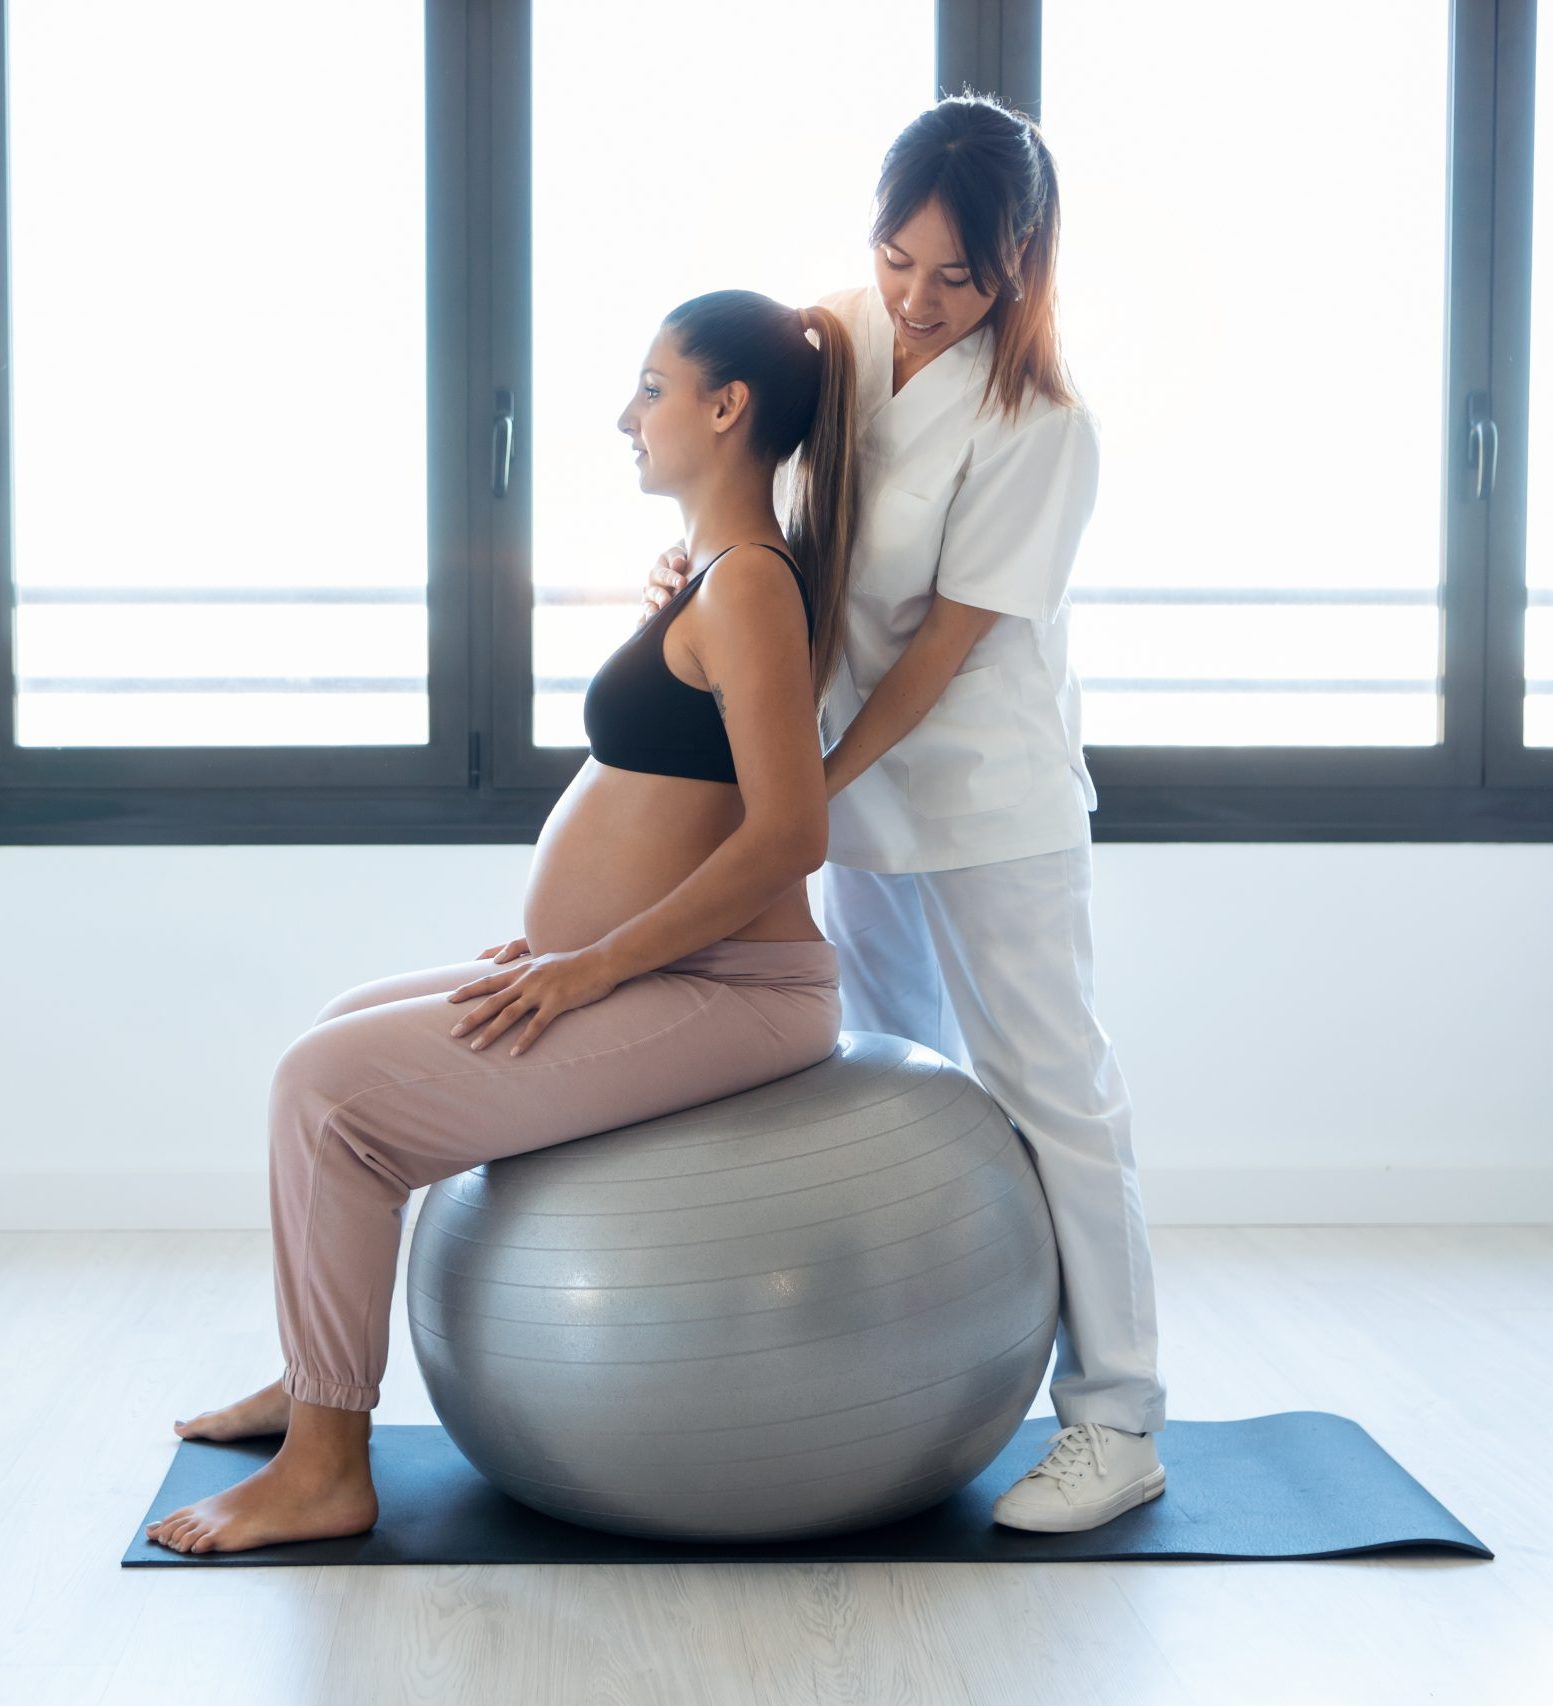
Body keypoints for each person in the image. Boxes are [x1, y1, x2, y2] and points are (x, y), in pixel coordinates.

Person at [145, 288, 860, 1555]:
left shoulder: (750, 584)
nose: (626, 416)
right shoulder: (713, 577)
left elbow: (787, 834)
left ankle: (326, 1466)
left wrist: (594, 962)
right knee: (335, 1030)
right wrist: (576, 942)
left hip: (741, 991)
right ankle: (312, 1382)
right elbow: (685, 800)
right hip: (667, 965)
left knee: (328, 1092)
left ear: (726, 407)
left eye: (651, 388)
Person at [640, 95, 1169, 1535]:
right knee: (890, 1089)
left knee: (1050, 1092)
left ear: (1020, 266)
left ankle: (1117, 1415)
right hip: (853, 787)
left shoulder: (1042, 424)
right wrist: (693, 581)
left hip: (987, 796)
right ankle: (904, 1386)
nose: (918, 300)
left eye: (958, 277)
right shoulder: (833, 340)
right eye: (896, 259)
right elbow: (753, 513)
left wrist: (805, 786)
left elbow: (941, 646)